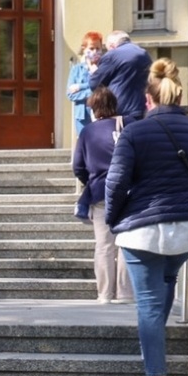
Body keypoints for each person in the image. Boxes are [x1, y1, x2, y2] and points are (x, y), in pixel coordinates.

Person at [104, 59, 188, 376]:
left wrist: (113, 218)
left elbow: (116, 180)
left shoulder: (134, 132)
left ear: (147, 99)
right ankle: (155, 348)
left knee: (149, 305)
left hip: (144, 230)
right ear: (177, 95)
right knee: (166, 281)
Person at [72, 85, 134, 304]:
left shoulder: (87, 132)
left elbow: (78, 166)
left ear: (94, 108)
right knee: (126, 242)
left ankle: (105, 294)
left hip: (101, 192)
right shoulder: (128, 125)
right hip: (128, 191)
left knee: (104, 245)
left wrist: (90, 181)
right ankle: (126, 294)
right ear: (114, 105)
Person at [88, 30, 152, 120]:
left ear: (112, 46)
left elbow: (94, 84)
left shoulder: (112, 55)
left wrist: (94, 72)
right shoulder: (144, 54)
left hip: (119, 111)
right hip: (142, 109)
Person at [66, 31, 103, 142]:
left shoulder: (104, 67)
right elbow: (70, 94)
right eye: (91, 48)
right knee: (85, 144)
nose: (95, 52)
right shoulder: (77, 69)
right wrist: (91, 92)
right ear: (84, 49)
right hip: (82, 115)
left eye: (98, 48)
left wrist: (81, 87)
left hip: (100, 113)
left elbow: (105, 89)